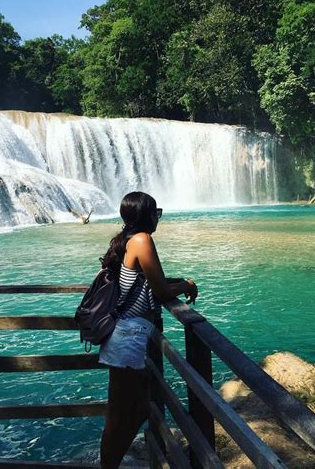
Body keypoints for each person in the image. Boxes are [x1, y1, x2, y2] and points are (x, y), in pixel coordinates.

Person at [98, 191, 198, 469]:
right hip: (127, 336)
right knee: (122, 415)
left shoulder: (128, 240)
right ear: (146, 215)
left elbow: (152, 281)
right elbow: (162, 291)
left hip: (125, 335)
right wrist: (187, 285)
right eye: (157, 212)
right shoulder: (142, 240)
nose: (158, 218)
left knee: (133, 410)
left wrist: (177, 282)